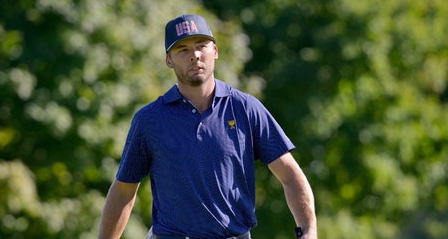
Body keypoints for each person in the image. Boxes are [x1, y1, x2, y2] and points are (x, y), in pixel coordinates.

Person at [98, 14, 317, 239]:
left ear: (215, 51)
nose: (194, 55)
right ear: (169, 60)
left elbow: (290, 174)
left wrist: (308, 230)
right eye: (182, 49)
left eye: (201, 46)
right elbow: (124, 189)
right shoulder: (150, 119)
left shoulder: (245, 108)